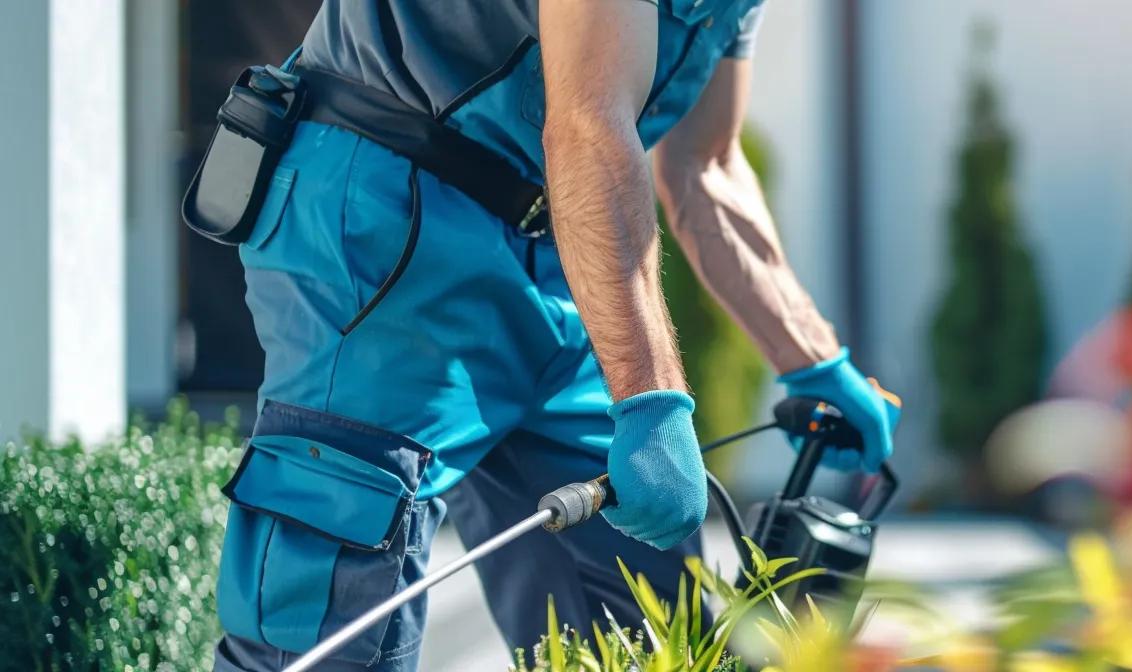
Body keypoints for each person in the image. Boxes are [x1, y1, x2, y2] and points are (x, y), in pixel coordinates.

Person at [207, 1, 897, 669]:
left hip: (552, 239)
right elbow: (589, 126)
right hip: (386, 212)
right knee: (334, 615)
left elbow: (704, 166)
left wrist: (814, 359)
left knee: (642, 624)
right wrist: (653, 398)